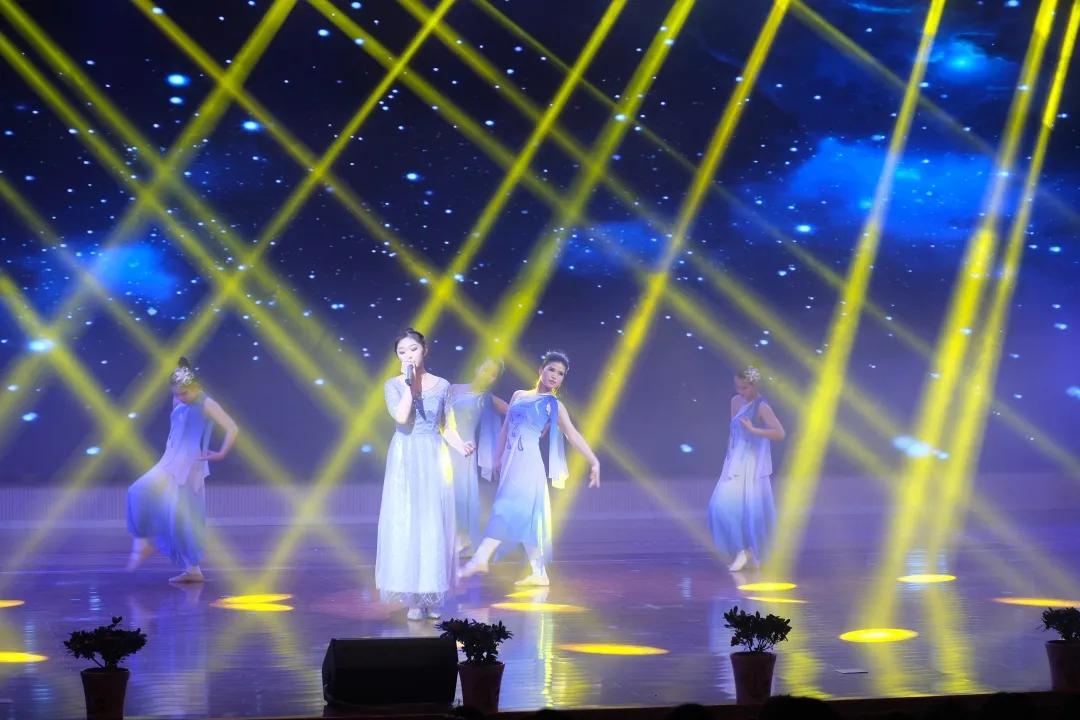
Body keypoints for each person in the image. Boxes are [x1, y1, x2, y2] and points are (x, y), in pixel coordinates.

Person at [460, 351, 599, 586]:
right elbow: (505, 429)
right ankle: (539, 572)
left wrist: (594, 461)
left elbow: (572, 434)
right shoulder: (519, 395)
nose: (555, 376)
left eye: (560, 374)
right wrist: (497, 458)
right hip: (510, 462)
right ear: (541, 370)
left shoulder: (554, 406)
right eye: (551, 370)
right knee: (528, 516)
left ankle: (480, 558)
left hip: (529, 463)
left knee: (506, 507)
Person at [377, 329, 475, 621]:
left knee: (433, 523)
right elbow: (401, 417)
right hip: (405, 458)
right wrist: (410, 384)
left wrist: (461, 445)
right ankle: (413, 599)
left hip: (433, 457)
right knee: (409, 522)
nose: (408, 355)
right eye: (402, 352)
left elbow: (447, 426)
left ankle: (431, 593)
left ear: (424, 350)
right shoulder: (393, 385)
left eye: (413, 349)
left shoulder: (443, 385)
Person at [126, 357, 238, 583]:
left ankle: (193, 570)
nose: (180, 397)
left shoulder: (207, 403)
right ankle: (144, 541)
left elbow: (232, 427)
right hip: (169, 461)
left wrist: (221, 453)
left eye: (184, 393)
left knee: (185, 518)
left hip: (190, 466)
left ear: (196, 387)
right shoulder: (178, 399)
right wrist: (180, 373)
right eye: (176, 394)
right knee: (137, 491)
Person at [708, 366, 785, 572]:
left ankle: (754, 552)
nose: (741, 391)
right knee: (720, 507)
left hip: (752, 462)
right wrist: (729, 457)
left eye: (744, 387)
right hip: (735, 461)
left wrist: (754, 429)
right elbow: (733, 431)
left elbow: (779, 433)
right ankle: (741, 550)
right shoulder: (735, 401)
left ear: (754, 385)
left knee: (753, 511)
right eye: (738, 387)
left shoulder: (762, 406)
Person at [448, 358, 509, 554]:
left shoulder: (488, 398)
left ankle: (463, 538)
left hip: (465, 450)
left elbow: (514, 412)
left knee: (461, 494)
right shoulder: (453, 389)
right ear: (477, 368)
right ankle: (446, 538)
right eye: (486, 370)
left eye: (493, 375)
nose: (488, 376)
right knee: (444, 493)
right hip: (445, 445)